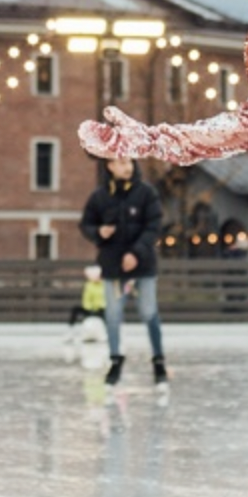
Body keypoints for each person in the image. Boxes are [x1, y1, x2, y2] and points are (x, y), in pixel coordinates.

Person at [78, 155, 166, 389]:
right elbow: (86, 224)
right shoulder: (100, 196)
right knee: (113, 315)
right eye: (121, 162)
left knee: (149, 312)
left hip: (143, 266)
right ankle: (115, 360)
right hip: (113, 266)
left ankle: (159, 361)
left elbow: (154, 226)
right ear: (110, 166)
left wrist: (135, 253)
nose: (127, 167)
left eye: (129, 162)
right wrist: (98, 232)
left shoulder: (146, 193)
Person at [66, 263, 105, 335]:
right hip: (90, 309)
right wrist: (89, 308)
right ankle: (70, 329)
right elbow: (86, 298)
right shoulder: (88, 285)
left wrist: (100, 307)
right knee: (75, 309)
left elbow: (105, 299)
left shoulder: (105, 285)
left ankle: (107, 331)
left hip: (102, 309)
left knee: (107, 313)